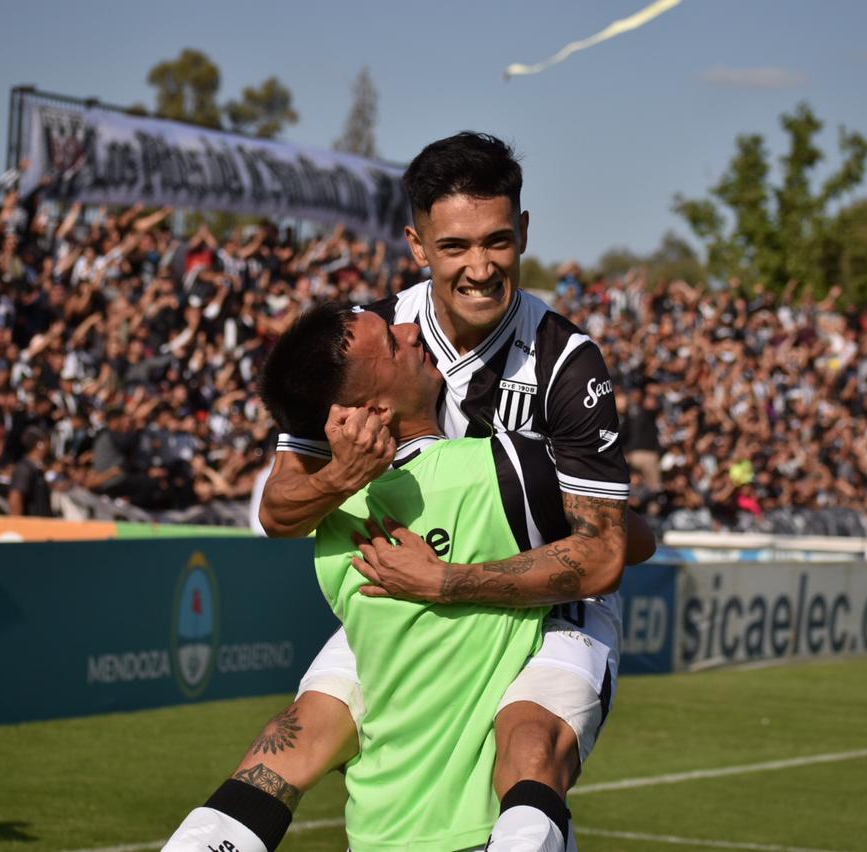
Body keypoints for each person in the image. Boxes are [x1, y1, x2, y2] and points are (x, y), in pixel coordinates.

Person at [169, 132, 646, 851]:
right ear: (417, 245)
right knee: (289, 742)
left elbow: (606, 552)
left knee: (528, 747)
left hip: (547, 604)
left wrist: (448, 581)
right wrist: (342, 476)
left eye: (497, 241)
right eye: (455, 246)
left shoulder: (566, 361)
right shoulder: (371, 346)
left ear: (523, 232)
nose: (480, 268)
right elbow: (280, 510)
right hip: (403, 595)